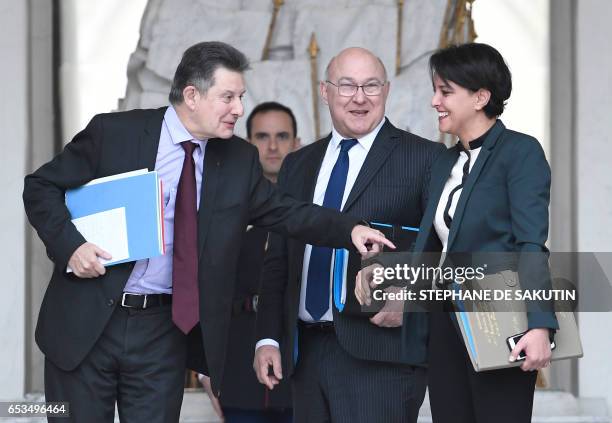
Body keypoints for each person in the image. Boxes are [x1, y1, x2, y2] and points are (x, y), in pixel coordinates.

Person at [22, 41, 391, 423]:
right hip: (87, 323)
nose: (239, 109)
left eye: (241, 96)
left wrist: (349, 230)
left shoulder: (237, 160)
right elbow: (40, 188)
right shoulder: (115, 132)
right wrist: (72, 247)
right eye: (228, 97)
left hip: (162, 333)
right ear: (192, 95)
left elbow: (287, 213)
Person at [359, 42, 557, 423]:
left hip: (501, 319)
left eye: (445, 91)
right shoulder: (444, 161)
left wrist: (539, 324)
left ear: (481, 96)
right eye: (436, 90)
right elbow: (435, 247)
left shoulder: (520, 152)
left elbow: (530, 244)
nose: (435, 101)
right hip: (443, 325)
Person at [253, 47, 445, 423]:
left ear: (386, 91)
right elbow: (278, 259)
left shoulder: (426, 158)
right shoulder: (298, 164)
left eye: (371, 85)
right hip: (305, 353)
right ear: (325, 92)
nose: (360, 97)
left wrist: (410, 298)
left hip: (381, 357)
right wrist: (268, 338)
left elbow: (446, 249)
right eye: (347, 86)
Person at [200, 102, 299, 423]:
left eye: (282, 136)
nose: (272, 146)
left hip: (302, 363)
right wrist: (204, 368)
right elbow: (203, 289)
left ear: (297, 143)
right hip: (238, 365)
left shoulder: (314, 207)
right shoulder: (219, 205)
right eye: (262, 136)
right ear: (247, 144)